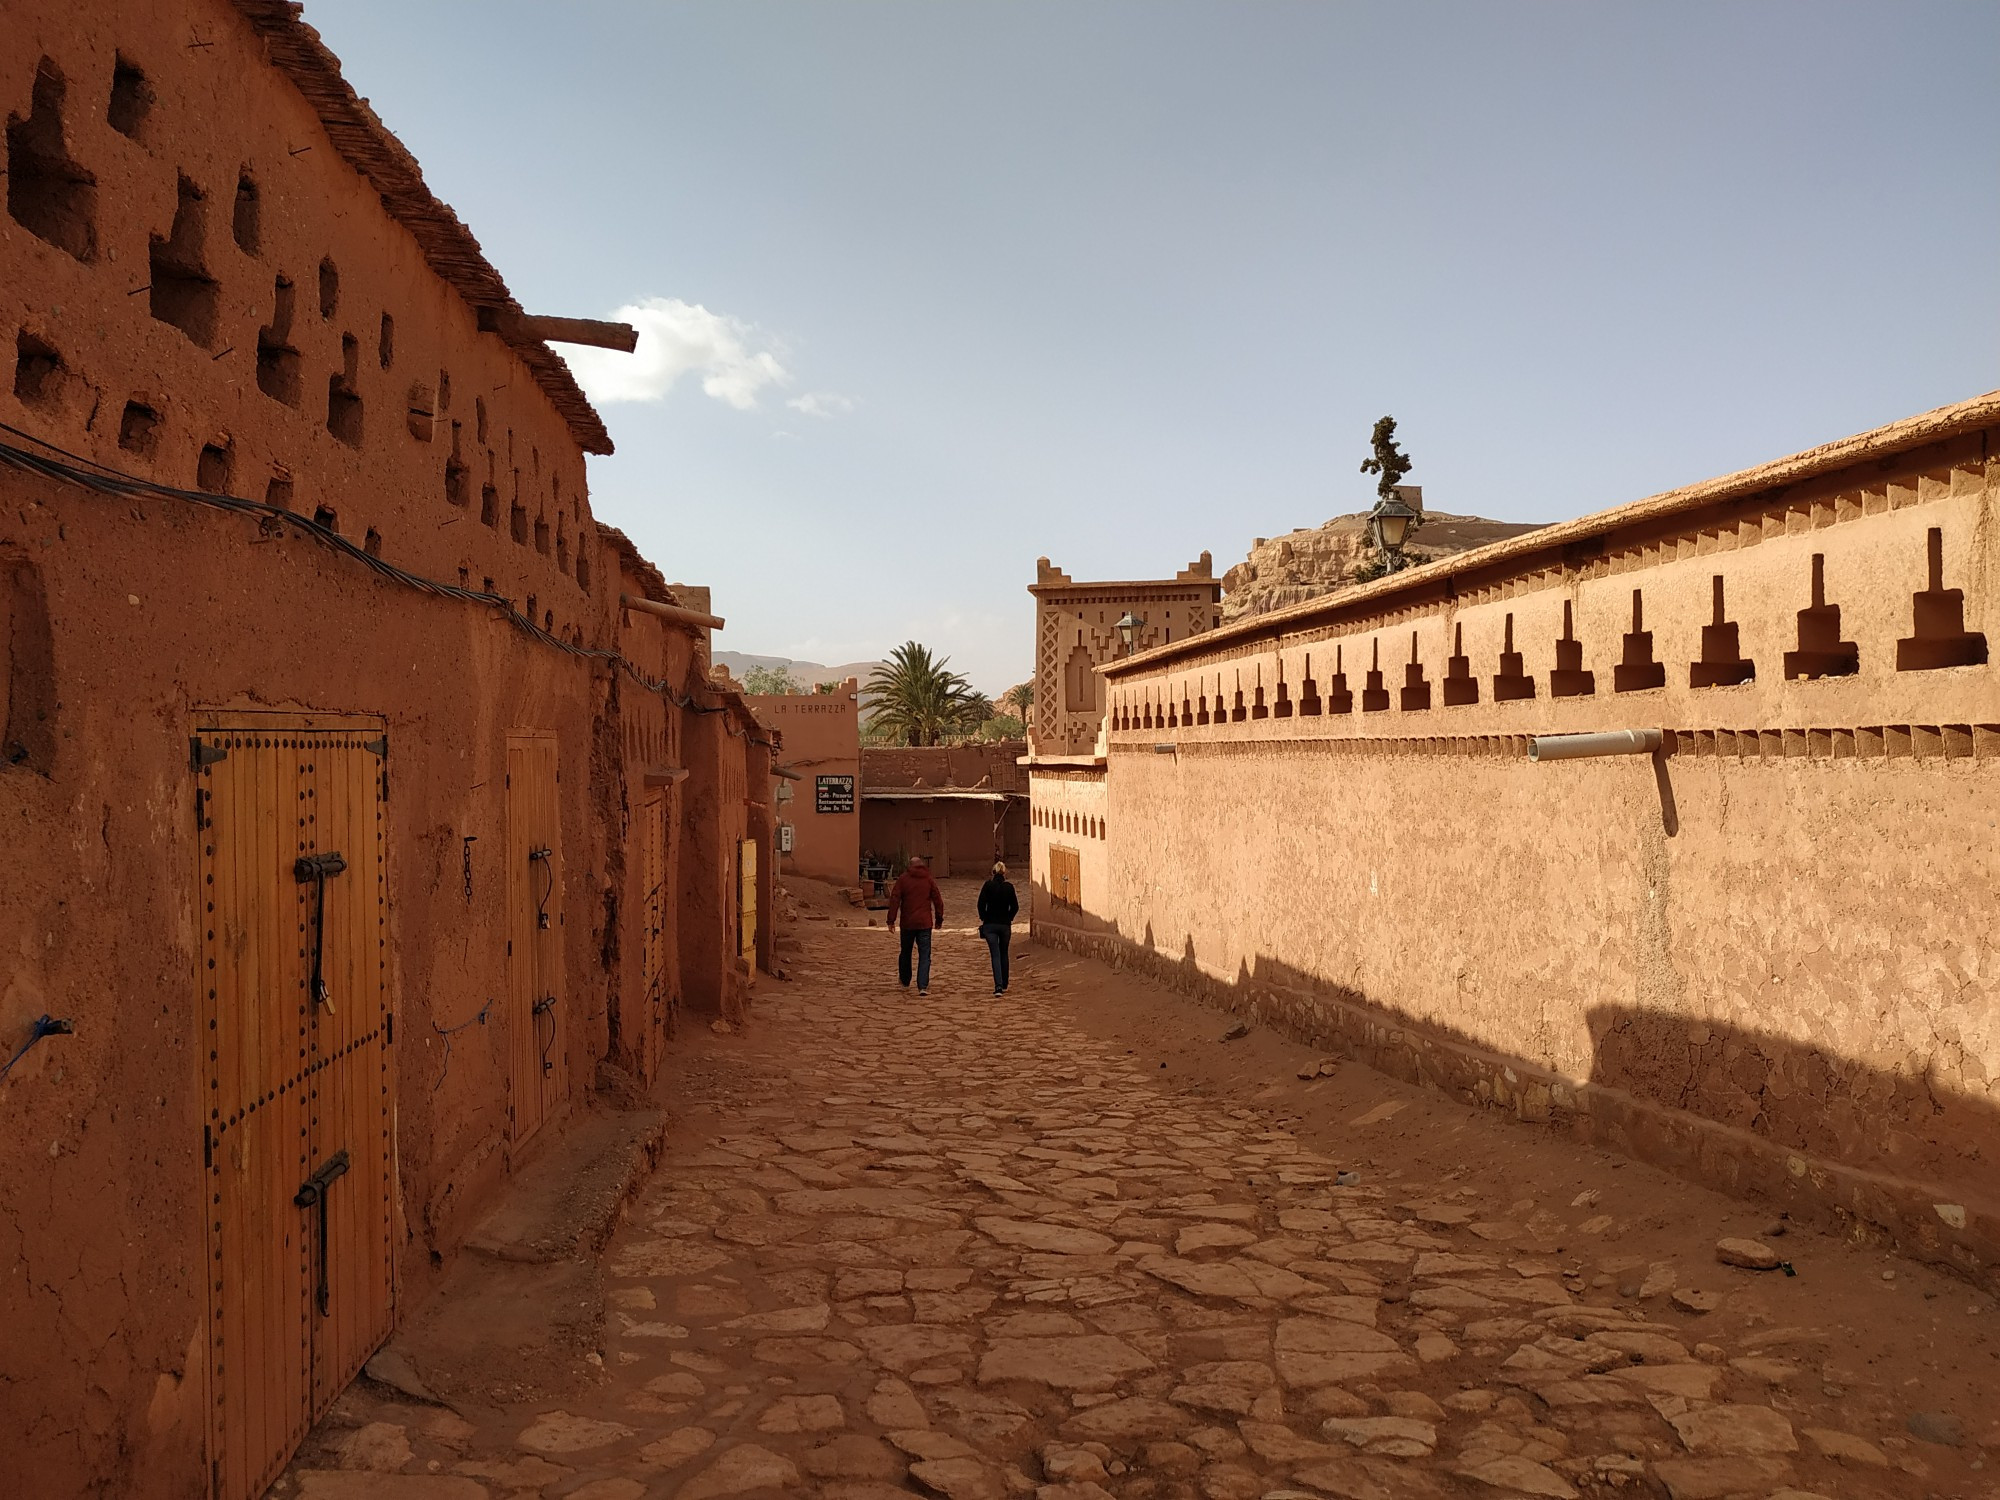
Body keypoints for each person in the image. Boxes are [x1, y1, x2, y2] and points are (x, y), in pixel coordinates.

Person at [884, 853, 944, 995]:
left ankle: (905, 981)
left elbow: (895, 899)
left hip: (908, 923)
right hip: (924, 923)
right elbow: (938, 900)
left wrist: (891, 920)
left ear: (910, 866)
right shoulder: (928, 879)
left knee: (906, 952)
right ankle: (922, 985)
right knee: (925, 954)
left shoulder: (903, 879)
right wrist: (939, 919)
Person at [977, 862, 1019, 996]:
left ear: (993, 872)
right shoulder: (1009, 887)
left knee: (995, 954)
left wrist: (984, 918)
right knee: (1004, 953)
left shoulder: (988, 886)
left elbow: (980, 904)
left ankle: (998, 986)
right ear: (1004, 873)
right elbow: (1015, 906)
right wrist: (1009, 917)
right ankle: (1005, 983)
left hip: (990, 924)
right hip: (1005, 925)